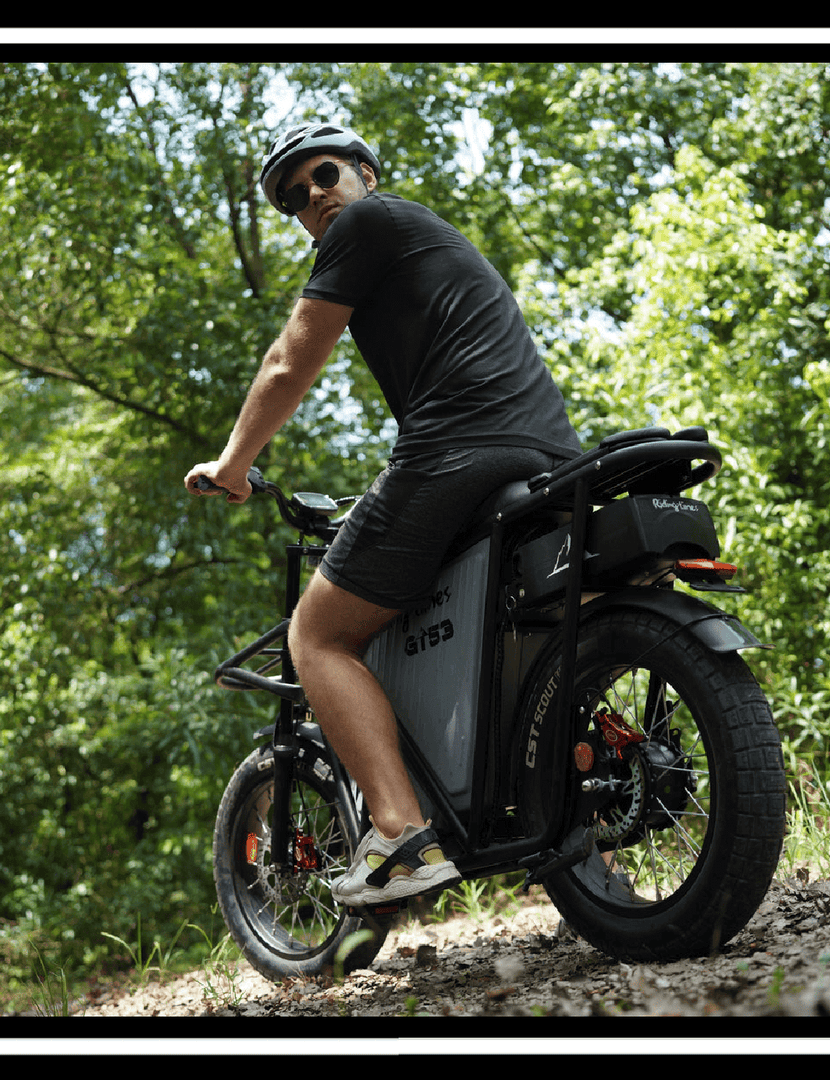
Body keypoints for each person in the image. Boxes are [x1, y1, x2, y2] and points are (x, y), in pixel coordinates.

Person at [186, 123, 582, 908]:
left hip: (458, 447)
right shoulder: (413, 239)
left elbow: (289, 362)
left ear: (365, 173)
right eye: (294, 198)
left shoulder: (368, 221)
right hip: (542, 452)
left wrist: (232, 465)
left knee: (316, 634)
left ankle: (400, 832)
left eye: (324, 174)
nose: (314, 196)